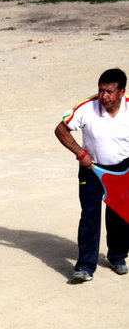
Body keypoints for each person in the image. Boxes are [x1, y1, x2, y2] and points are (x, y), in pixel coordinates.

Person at [54, 67, 129, 283]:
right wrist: (80, 153)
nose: (103, 96)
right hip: (90, 168)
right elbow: (60, 129)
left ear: (121, 92)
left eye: (109, 92)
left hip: (122, 168)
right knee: (89, 216)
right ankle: (85, 266)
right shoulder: (86, 108)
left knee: (119, 216)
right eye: (101, 91)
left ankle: (117, 257)